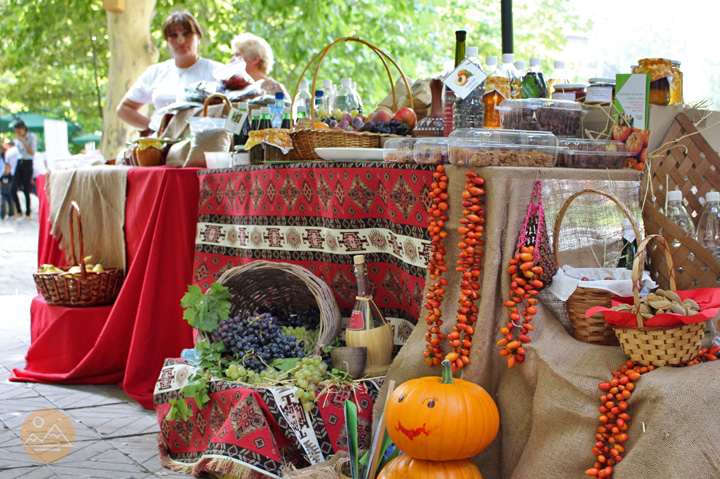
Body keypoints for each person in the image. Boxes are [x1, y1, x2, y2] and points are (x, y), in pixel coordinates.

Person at [116, 11, 223, 134]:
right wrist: (153, 129)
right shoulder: (155, 72)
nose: (181, 40)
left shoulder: (217, 72)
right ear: (167, 40)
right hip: (161, 145)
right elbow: (124, 109)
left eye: (186, 33)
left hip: (200, 143)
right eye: (173, 35)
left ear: (198, 37)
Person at [11, 121, 36, 220]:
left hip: (28, 162)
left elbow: (32, 152)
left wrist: (24, 142)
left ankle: (28, 213)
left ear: (23, 128)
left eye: (18, 131)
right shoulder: (18, 139)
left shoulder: (31, 137)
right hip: (19, 161)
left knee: (26, 188)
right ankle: (19, 211)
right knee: (13, 188)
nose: (18, 133)